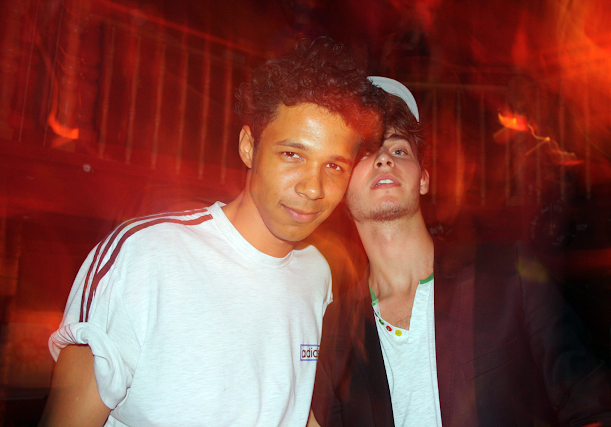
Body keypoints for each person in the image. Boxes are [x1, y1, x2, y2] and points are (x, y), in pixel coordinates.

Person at [38, 38, 386, 427]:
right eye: (293, 155)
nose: (313, 188)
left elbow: (295, 404)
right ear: (249, 146)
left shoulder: (317, 273)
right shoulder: (145, 254)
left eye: (334, 166)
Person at [309, 77, 611, 427]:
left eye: (399, 150)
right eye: (366, 152)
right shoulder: (335, 329)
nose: (384, 159)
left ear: (423, 178)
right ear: (341, 187)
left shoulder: (509, 275)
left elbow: (595, 405)